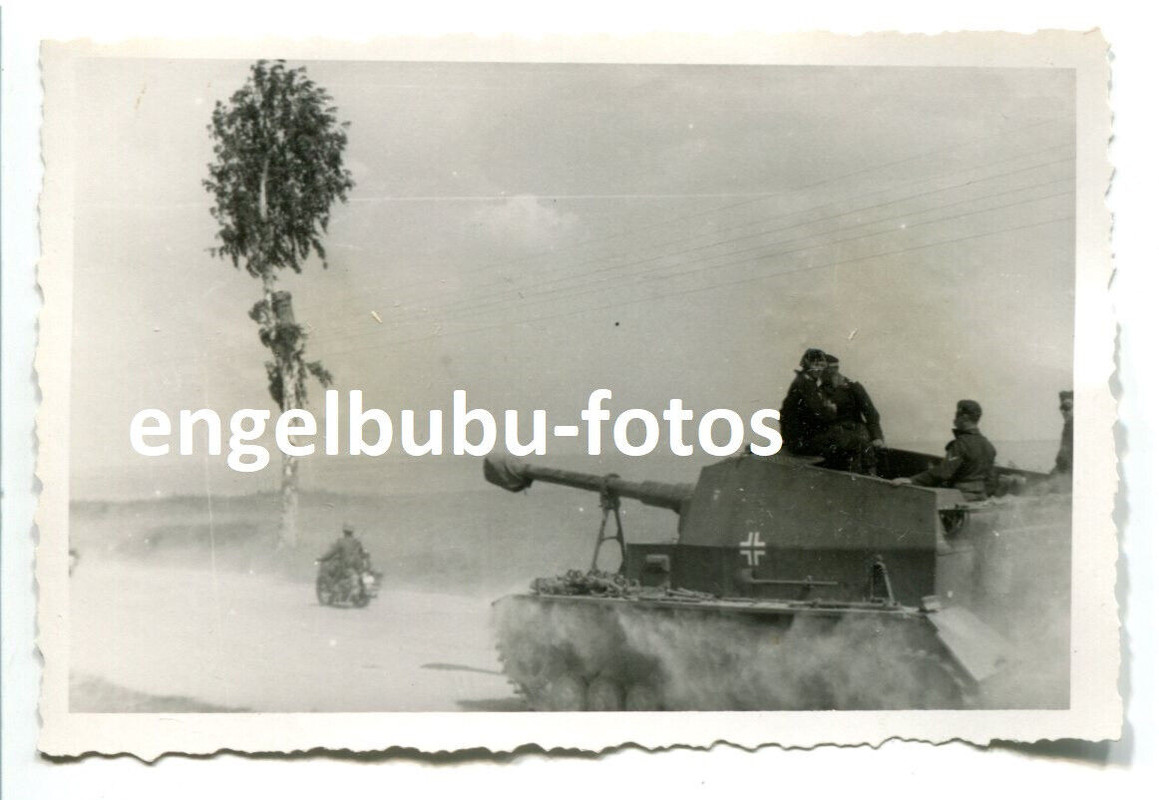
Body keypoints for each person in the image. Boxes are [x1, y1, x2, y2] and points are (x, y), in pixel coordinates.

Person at [891, 399, 996, 501]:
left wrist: (912, 480)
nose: (954, 418)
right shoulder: (989, 446)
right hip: (981, 497)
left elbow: (943, 473)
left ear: (964, 417)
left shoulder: (961, 444)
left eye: (957, 414)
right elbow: (991, 480)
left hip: (959, 497)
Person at [818, 354, 885, 474]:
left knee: (862, 463)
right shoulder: (819, 390)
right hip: (834, 437)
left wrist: (877, 437)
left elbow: (871, 414)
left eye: (824, 369)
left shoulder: (853, 387)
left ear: (833, 369)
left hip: (855, 431)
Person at [779, 348, 837, 456]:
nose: (819, 369)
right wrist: (831, 410)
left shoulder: (807, 381)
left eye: (821, 365)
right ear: (807, 365)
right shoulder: (806, 384)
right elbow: (818, 412)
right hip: (801, 440)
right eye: (815, 365)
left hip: (799, 437)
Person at [1052, 390, 1074, 477]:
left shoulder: (1074, 426)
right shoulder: (1068, 425)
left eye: (1067, 408)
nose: (1064, 412)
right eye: (1062, 408)